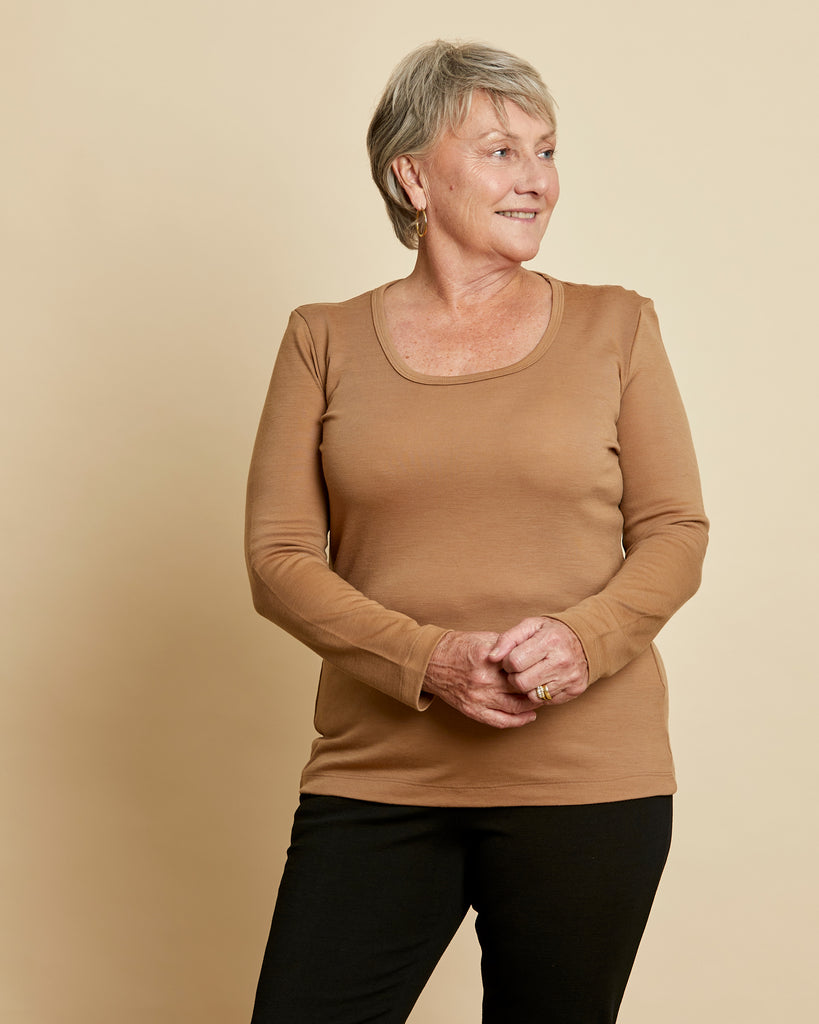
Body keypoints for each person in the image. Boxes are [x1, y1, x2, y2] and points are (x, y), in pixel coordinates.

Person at [245, 40, 708, 1024]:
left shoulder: (616, 326)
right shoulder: (321, 338)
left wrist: (586, 641)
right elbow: (279, 560)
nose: (535, 179)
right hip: (379, 769)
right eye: (501, 150)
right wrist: (429, 659)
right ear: (410, 173)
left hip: (587, 778)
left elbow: (674, 529)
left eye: (546, 151)